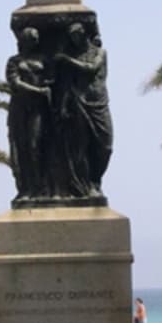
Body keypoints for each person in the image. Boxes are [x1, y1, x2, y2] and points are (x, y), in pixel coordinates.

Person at [54, 24, 113, 197]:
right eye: (72, 37)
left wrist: (66, 59)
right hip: (79, 102)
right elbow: (67, 84)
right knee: (81, 147)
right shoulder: (73, 56)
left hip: (99, 101)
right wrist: (64, 105)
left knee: (105, 146)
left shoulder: (99, 53)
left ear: (84, 34)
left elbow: (92, 68)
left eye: (77, 35)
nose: (75, 39)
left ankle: (96, 179)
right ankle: (89, 185)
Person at [6, 26, 53, 201]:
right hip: (20, 108)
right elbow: (15, 83)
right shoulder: (14, 61)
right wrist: (38, 90)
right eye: (32, 39)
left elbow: (52, 78)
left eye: (36, 39)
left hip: (38, 109)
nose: (35, 42)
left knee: (35, 145)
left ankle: (41, 187)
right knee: (21, 148)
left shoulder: (43, 59)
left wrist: (49, 84)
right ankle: (26, 188)